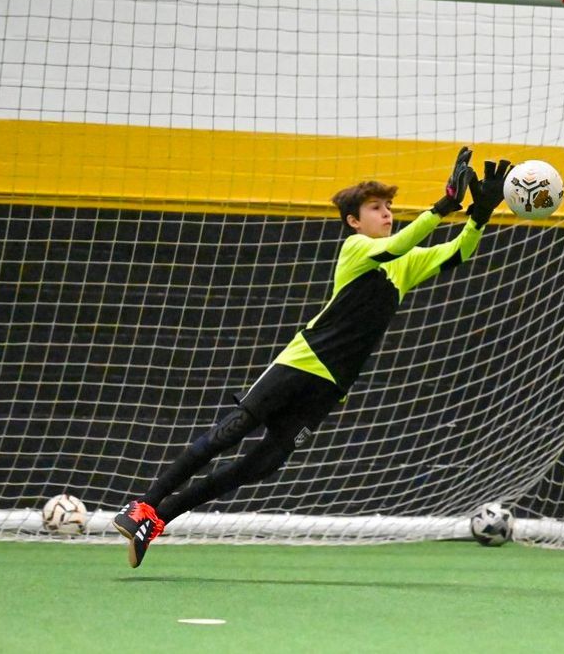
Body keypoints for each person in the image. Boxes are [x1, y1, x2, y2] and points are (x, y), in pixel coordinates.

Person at [112, 146, 513, 567]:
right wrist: (445, 205)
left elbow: (456, 254)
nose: (387, 214)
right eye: (376, 208)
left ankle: (158, 522)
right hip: (302, 362)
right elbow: (397, 245)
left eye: (389, 207)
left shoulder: (404, 266)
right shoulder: (357, 249)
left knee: (259, 466)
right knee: (229, 433)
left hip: (331, 387)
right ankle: (144, 505)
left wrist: (478, 216)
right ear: (354, 221)